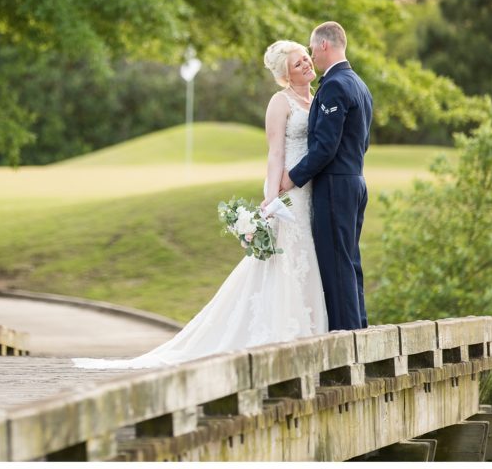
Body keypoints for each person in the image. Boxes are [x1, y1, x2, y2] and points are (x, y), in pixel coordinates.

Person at [73, 40, 328, 370]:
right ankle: (285, 339)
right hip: (288, 192)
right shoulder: (279, 104)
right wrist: (269, 198)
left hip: (310, 192)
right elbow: (275, 152)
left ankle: (310, 335)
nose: (306, 65)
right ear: (284, 74)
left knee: (307, 258)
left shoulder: (316, 100)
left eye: (306, 59)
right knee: (287, 259)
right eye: (297, 64)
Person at [280, 21, 372, 331]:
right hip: (355, 180)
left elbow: (325, 148)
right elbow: (363, 142)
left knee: (336, 266)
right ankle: (358, 331)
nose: (310, 56)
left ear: (324, 46)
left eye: (311, 48)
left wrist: (292, 177)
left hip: (335, 184)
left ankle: (346, 340)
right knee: (349, 263)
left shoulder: (334, 85)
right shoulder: (359, 84)